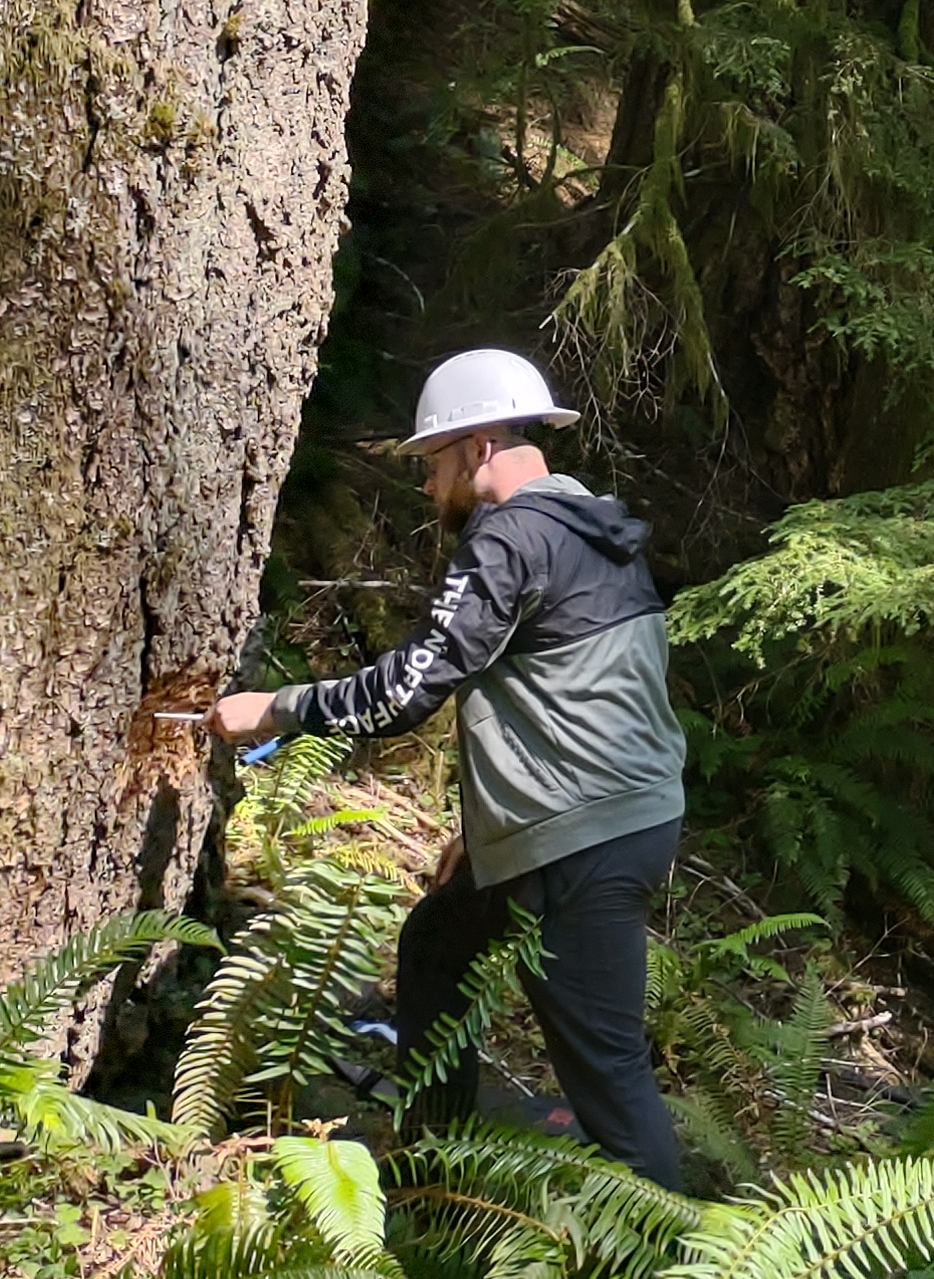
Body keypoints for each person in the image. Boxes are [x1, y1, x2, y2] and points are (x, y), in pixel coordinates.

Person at [214, 347, 688, 1186]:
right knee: (438, 944)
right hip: (607, 819)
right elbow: (570, 691)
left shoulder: (512, 539)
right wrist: (483, 832)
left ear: (476, 449)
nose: (428, 489)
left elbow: (409, 690)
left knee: (608, 1077)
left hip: (580, 843)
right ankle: (434, 1174)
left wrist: (279, 709)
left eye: (432, 464)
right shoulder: (588, 523)